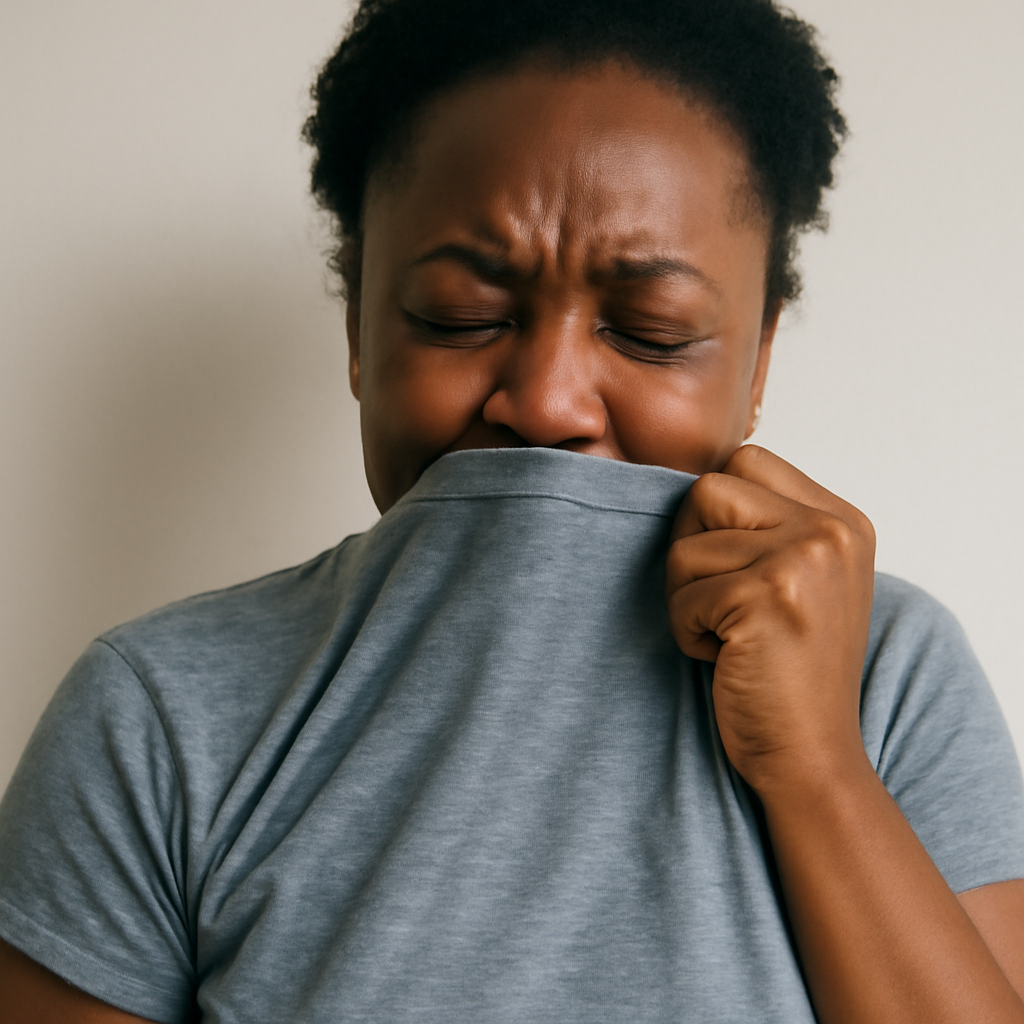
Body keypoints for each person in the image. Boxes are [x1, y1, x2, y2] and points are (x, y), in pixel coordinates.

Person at [2, 0, 1023, 1020]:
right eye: (461, 317)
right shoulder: (157, 712)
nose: (545, 400)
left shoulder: (891, 676)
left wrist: (816, 767)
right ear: (358, 323)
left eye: (651, 332)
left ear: (757, 359)